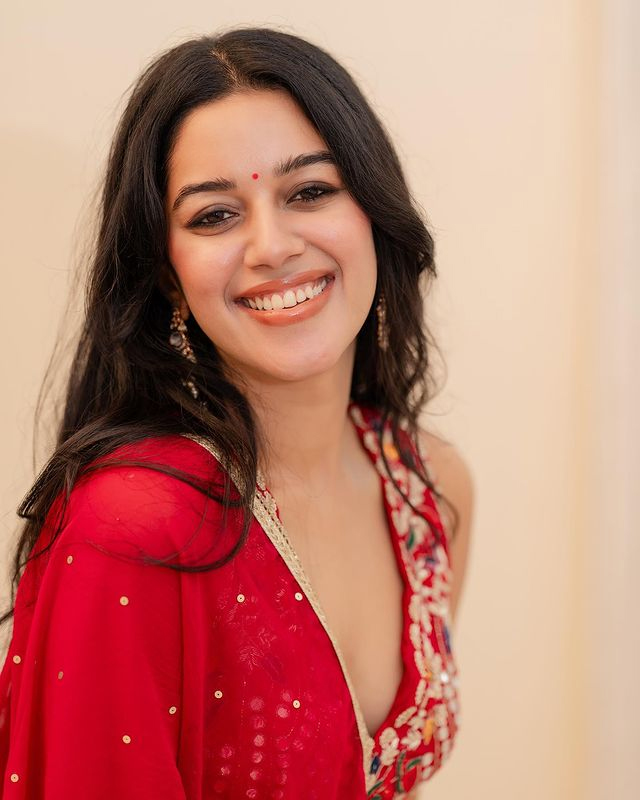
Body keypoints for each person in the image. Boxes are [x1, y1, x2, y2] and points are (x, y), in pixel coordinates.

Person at [0, 26, 474, 800]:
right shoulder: (132, 528)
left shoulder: (430, 488)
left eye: (309, 192)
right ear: (168, 274)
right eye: (215, 215)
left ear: (375, 212)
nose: (271, 246)